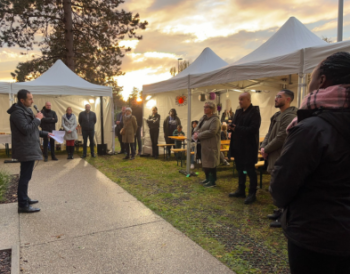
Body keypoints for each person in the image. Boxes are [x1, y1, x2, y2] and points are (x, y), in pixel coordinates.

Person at [270, 52, 350, 274]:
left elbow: (282, 186)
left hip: (316, 234)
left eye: (312, 78)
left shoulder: (312, 128)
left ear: (322, 81)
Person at [7, 89, 53, 213]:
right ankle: (22, 204)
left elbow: (33, 130)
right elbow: (26, 129)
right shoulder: (17, 113)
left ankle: (25, 198)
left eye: (32, 98)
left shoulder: (25, 110)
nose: (32, 101)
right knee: (25, 177)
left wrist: (45, 133)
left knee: (26, 176)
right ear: (22, 100)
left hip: (29, 148)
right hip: (25, 149)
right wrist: (38, 120)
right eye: (30, 99)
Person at [260, 89, 297, 228]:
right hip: (273, 154)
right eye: (276, 96)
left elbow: (282, 136)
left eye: (279, 97)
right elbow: (270, 133)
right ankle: (280, 211)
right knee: (275, 183)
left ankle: (284, 217)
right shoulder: (277, 115)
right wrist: (263, 147)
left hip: (281, 155)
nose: (275, 98)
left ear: (288, 99)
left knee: (281, 185)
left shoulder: (290, 115)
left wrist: (267, 149)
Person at [228, 92, 261, 204]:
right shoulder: (238, 112)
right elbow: (234, 125)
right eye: (239, 99)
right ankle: (241, 190)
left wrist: (236, 128)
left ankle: (252, 193)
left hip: (249, 147)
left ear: (248, 99)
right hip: (238, 146)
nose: (240, 101)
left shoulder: (255, 113)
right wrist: (230, 127)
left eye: (242, 99)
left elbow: (253, 129)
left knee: (250, 171)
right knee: (240, 169)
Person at [193, 102, 221, 188]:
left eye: (207, 107)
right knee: (205, 162)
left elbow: (212, 131)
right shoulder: (203, 118)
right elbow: (197, 128)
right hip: (203, 144)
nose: (204, 108)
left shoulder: (215, 120)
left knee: (211, 162)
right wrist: (196, 132)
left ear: (212, 109)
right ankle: (207, 178)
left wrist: (199, 135)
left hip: (211, 144)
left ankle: (212, 181)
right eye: (204, 107)